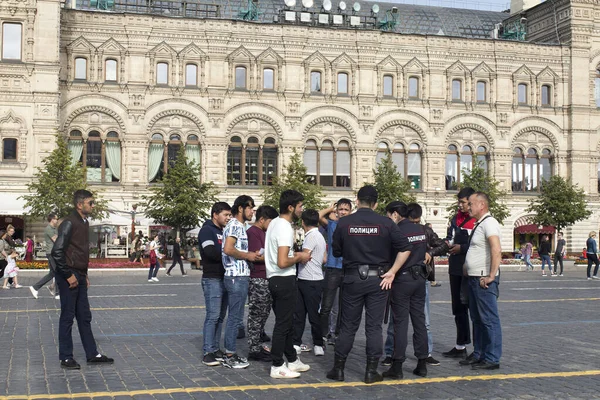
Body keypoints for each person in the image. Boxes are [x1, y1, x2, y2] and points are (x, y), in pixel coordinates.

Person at [326, 185, 406, 384]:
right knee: (374, 327)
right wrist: (392, 272)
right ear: (376, 203)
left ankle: (339, 369)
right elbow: (405, 248)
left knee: (348, 326)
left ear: (356, 201)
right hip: (378, 280)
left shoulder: (344, 223)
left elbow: (336, 251)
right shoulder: (386, 223)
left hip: (352, 278)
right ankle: (371, 371)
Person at [50, 189, 114, 369]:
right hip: (68, 275)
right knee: (68, 316)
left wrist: (84, 275)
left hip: (79, 274)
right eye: (90, 203)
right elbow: (57, 252)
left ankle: (92, 353)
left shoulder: (84, 223)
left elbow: (80, 252)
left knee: (84, 316)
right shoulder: (69, 223)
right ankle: (66, 357)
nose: (93, 206)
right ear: (80, 205)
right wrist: (68, 275)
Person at [377, 202, 429, 380]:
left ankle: (397, 365)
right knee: (419, 321)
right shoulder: (420, 230)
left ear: (395, 214)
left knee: (400, 323)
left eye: (389, 215)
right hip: (419, 279)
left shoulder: (397, 231)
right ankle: (422, 363)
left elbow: (389, 255)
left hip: (402, 279)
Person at [265, 189, 312, 379]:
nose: (302, 210)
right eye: (300, 206)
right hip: (283, 279)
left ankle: (292, 360)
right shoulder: (283, 227)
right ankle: (277, 364)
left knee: (288, 322)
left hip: (275, 279)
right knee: (283, 324)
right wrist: (300, 256)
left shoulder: (275, 223)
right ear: (291, 207)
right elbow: (283, 261)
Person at [461, 192, 502, 370]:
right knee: (477, 319)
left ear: (481, 205)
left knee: (489, 319)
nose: (468, 207)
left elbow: (496, 248)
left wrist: (492, 275)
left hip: (483, 279)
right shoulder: (480, 223)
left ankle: (492, 358)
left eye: (470, 204)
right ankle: (479, 353)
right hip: (474, 278)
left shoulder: (490, 223)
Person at [221, 195, 259, 369]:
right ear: (241, 209)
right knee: (235, 318)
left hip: (238, 275)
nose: (252, 211)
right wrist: (248, 256)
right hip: (236, 276)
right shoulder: (235, 225)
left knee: (235, 317)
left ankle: (230, 352)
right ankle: (230, 354)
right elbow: (228, 249)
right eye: (250, 207)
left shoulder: (238, 226)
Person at [442, 187, 475, 360]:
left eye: (463, 202)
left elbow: (482, 245)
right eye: (459, 202)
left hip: (471, 269)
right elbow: (450, 237)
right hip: (455, 268)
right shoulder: (456, 218)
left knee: (474, 309)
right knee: (458, 308)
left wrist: (461, 248)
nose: (460, 205)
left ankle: (478, 349)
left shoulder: (477, 220)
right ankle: (460, 345)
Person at [199, 202, 231, 367]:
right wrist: (229, 252)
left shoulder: (223, 231)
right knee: (212, 316)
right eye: (225, 215)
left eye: (229, 215)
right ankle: (207, 352)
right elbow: (210, 252)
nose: (228, 218)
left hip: (224, 277)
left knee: (220, 317)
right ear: (215, 214)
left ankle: (215, 348)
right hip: (212, 278)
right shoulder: (207, 230)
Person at [246, 205, 278, 362]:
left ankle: (258, 344)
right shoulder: (253, 233)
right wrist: (276, 257)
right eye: (271, 221)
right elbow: (255, 256)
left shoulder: (264, 232)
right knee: (256, 314)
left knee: (264, 313)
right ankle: (253, 348)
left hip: (267, 276)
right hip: (258, 278)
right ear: (262, 219)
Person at [293, 209, 327, 356]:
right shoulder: (320, 236)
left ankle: (316, 343)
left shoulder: (311, 236)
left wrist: (291, 254)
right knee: (306, 313)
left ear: (303, 222)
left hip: (308, 279)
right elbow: (324, 259)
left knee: (305, 314)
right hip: (314, 278)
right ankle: (301, 342)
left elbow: (304, 256)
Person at [318, 199, 352, 344]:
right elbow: (318, 216)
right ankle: (322, 334)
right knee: (326, 305)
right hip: (332, 269)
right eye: (341, 209)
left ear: (351, 211)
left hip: (347, 269)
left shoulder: (352, 226)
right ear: (337, 211)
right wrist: (329, 208)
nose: (343, 212)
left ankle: (336, 334)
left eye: (346, 210)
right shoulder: (332, 224)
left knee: (343, 306)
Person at [30, 213, 60, 300]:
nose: (57, 220)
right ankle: (57, 293)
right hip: (52, 252)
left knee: (53, 273)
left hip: (53, 252)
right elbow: (56, 240)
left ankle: (36, 287)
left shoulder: (54, 228)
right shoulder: (48, 229)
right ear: (52, 219)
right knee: (58, 272)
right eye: (56, 219)